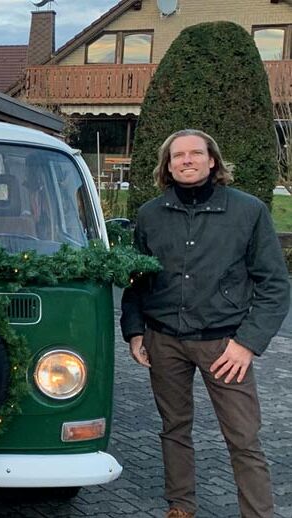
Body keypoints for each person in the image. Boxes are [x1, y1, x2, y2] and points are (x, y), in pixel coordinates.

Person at [120, 129, 289, 518]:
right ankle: (181, 505)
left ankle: (258, 513)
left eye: (196, 153)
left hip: (225, 345)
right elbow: (136, 280)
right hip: (164, 341)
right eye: (178, 155)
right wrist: (133, 330)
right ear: (167, 165)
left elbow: (275, 284)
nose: (187, 160)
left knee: (244, 437)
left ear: (213, 160)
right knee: (174, 429)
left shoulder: (247, 212)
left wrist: (247, 343)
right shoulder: (150, 215)